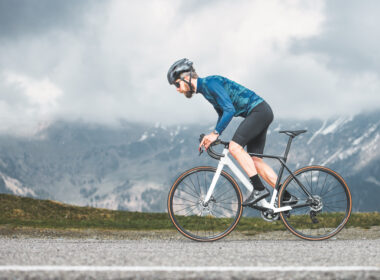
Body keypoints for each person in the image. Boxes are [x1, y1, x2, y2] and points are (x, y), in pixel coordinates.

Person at [167, 58, 297, 206]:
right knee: (255, 161)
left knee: (235, 147)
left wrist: (215, 133)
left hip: (258, 111)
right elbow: (222, 114)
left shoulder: (210, 83)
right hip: (260, 112)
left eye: (177, 84)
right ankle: (286, 196)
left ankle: (259, 189)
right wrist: (213, 136)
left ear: (187, 77)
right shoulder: (205, 90)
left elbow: (229, 110)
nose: (177, 89)